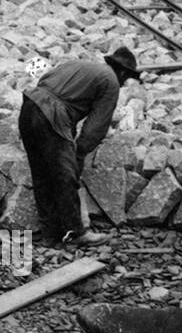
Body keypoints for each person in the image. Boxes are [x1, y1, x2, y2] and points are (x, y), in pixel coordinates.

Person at [19, 46, 141, 246]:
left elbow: (45, 82)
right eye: (125, 78)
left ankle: (50, 234)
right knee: (65, 175)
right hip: (52, 115)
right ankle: (76, 232)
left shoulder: (78, 65)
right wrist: (79, 153)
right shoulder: (110, 80)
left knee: (41, 175)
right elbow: (96, 126)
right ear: (121, 71)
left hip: (29, 107)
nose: (122, 83)